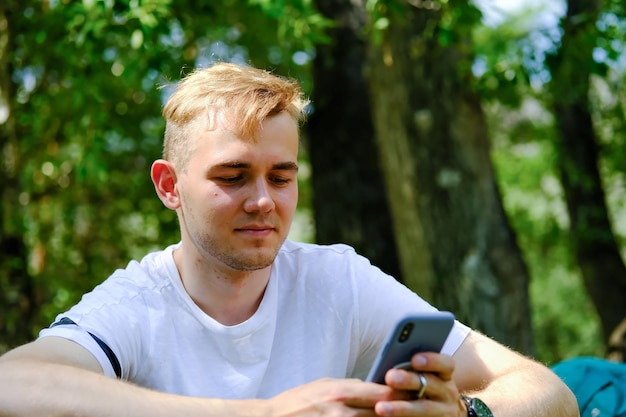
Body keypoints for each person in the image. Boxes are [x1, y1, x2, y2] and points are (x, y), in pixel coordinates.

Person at [0, 62, 578, 417]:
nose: (263, 201)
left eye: (282, 177)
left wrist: (467, 413)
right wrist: (266, 413)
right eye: (232, 177)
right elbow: (14, 385)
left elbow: (550, 393)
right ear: (170, 186)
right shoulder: (137, 303)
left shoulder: (336, 280)